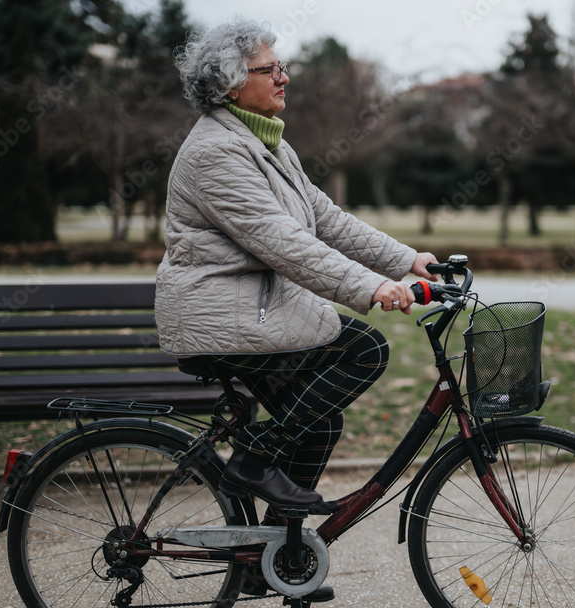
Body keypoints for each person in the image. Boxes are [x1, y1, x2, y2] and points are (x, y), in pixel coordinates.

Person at [156, 19, 437, 523]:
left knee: (320, 422)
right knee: (365, 349)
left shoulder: (267, 144)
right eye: (270, 69)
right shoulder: (215, 153)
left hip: (252, 309)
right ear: (230, 84)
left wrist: (404, 259)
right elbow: (284, 243)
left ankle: (281, 552)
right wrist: (371, 286)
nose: (284, 78)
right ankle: (255, 457)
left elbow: (323, 217)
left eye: (281, 67)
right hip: (218, 315)